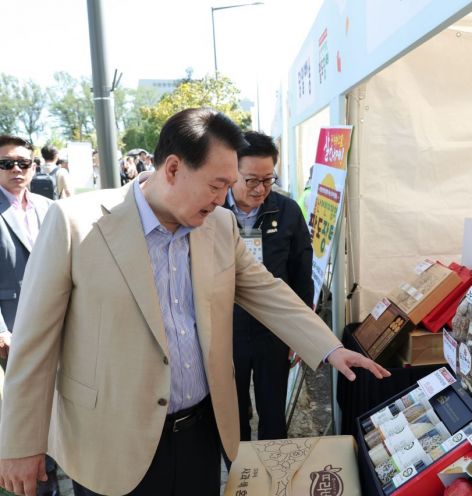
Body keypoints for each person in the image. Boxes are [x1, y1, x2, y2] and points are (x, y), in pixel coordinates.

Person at [0, 108, 389, 496]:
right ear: (172, 169)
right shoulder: (75, 223)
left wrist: (331, 348)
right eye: (216, 185)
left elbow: (266, 291)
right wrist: (20, 442)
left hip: (199, 434)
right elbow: (35, 339)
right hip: (112, 441)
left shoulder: (219, 226)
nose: (223, 198)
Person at [225, 131, 309, 441]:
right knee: (231, 415)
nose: (260, 189)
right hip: (225, 329)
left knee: (273, 413)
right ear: (232, 172)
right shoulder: (212, 211)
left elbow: (301, 275)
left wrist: (299, 332)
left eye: (268, 179)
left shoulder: (287, 212)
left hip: (273, 328)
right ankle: (240, 479)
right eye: (250, 180)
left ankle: (273, 477)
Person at [0, 135, 56, 495]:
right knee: (21, 427)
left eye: (23, 163)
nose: (17, 170)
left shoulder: (50, 207)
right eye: (6, 164)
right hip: (11, 339)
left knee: (55, 422)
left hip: (55, 332)